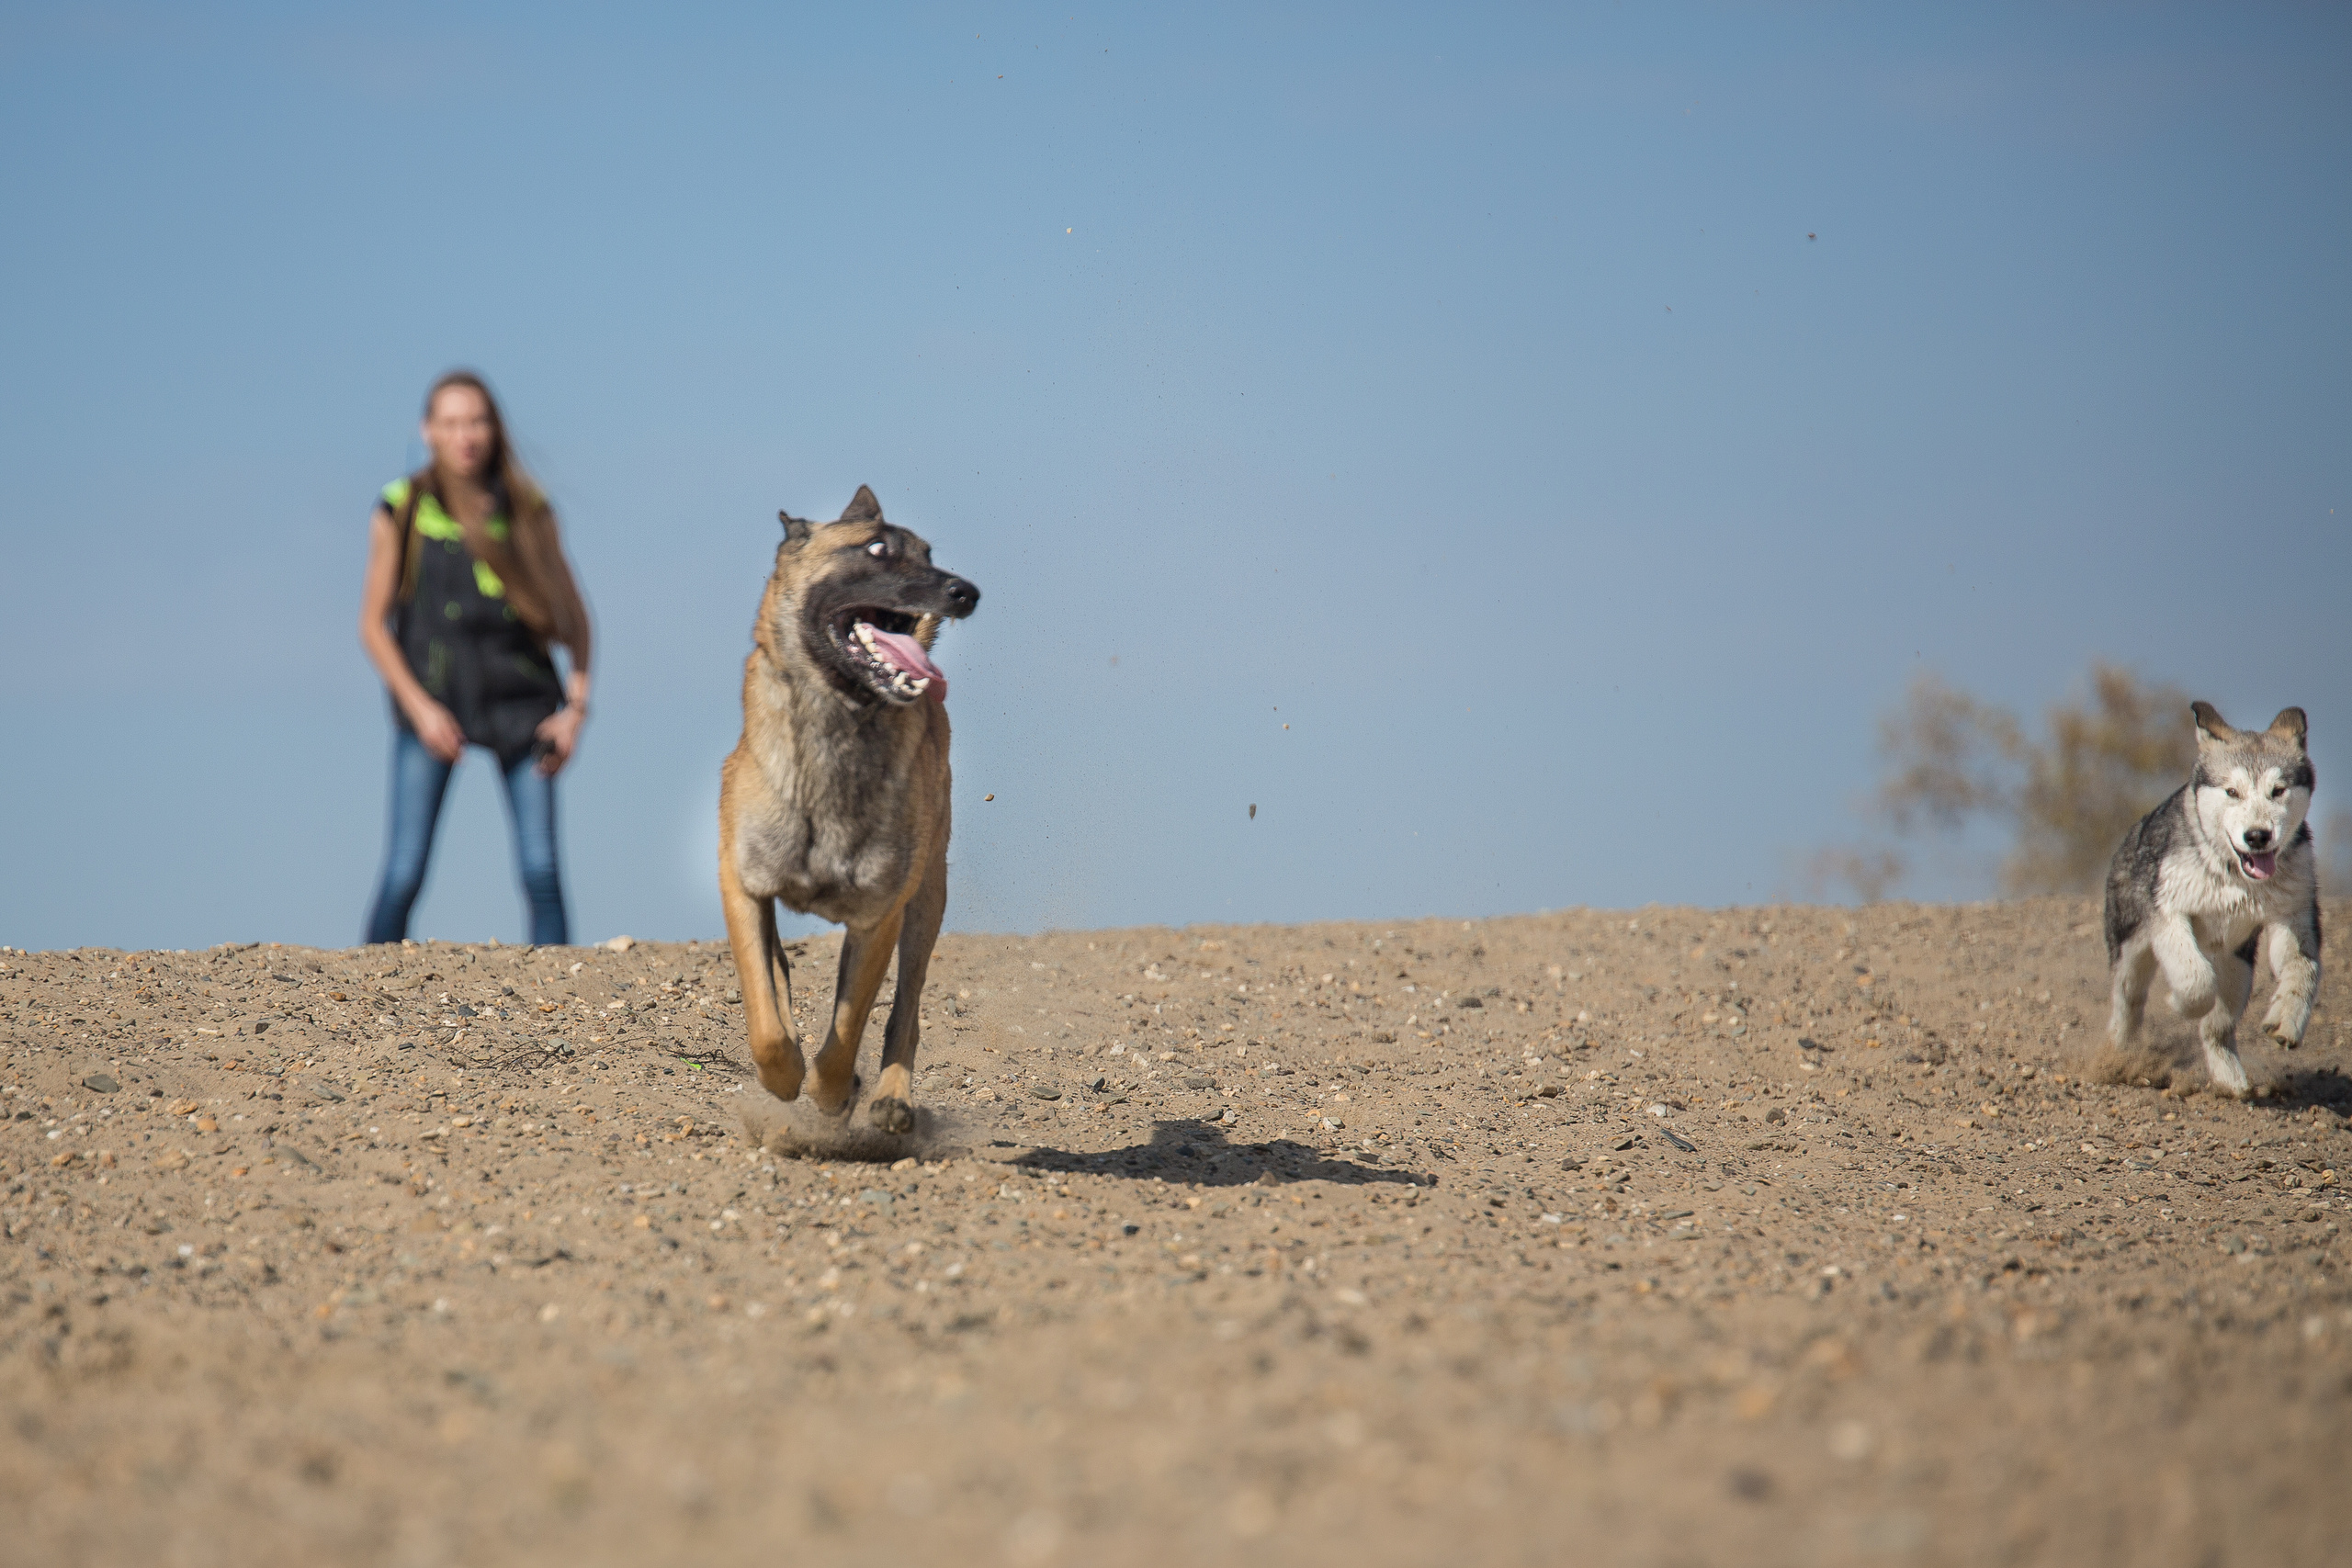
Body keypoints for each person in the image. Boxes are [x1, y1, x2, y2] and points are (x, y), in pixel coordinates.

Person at [357, 370, 593, 946]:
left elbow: (578, 624)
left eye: (476, 421)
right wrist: (419, 709)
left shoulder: (531, 511)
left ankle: (560, 1000)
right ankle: (359, 1001)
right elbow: (373, 625)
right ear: (428, 430)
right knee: (404, 871)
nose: (465, 435)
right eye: (452, 422)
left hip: (523, 705)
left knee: (541, 871)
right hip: (434, 705)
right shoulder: (402, 508)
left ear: (494, 429)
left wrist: (576, 710)